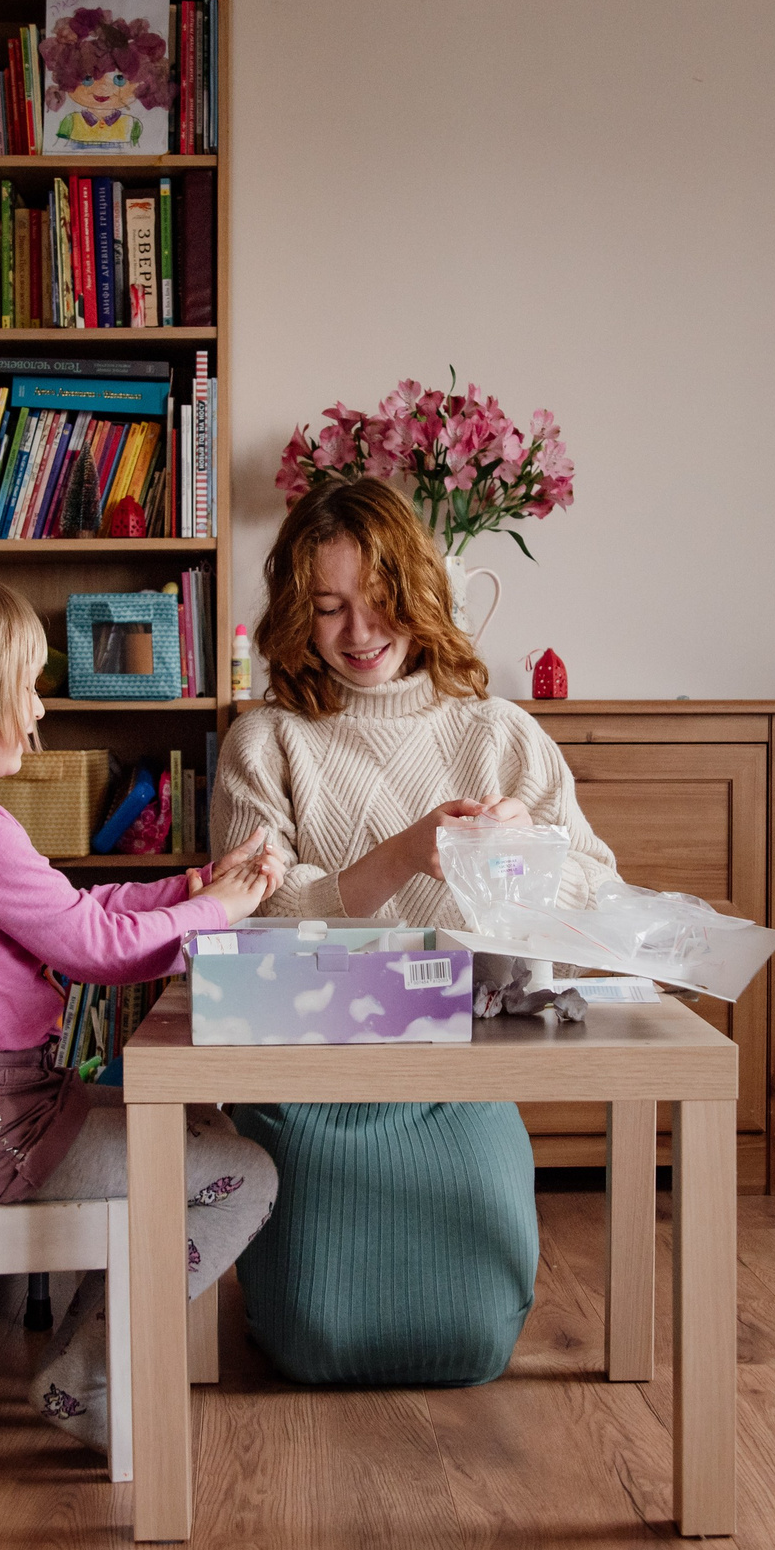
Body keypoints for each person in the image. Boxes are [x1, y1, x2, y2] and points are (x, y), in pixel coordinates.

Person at [0, 564, 285, 1451]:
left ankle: (90, 1359)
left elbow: (78, 916)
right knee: (248, 1174)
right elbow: (90, 949)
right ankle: (85, 1376)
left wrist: (195, 886)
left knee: (192, 1118)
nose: (40, 709)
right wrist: (223, 911)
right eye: (25, 685)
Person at [209, 476, 619, 1386]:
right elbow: (244, 923)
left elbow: (602, 892)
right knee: (318, 1327)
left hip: (463, 1084)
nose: (359, 633)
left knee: (474, 1333)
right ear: (294, 616)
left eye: (382, 601)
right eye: (329, 608)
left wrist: (534, 850)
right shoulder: (265, 741)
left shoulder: (500, 734)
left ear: (425, 594)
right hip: (309, 1089)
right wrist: (401, 854)